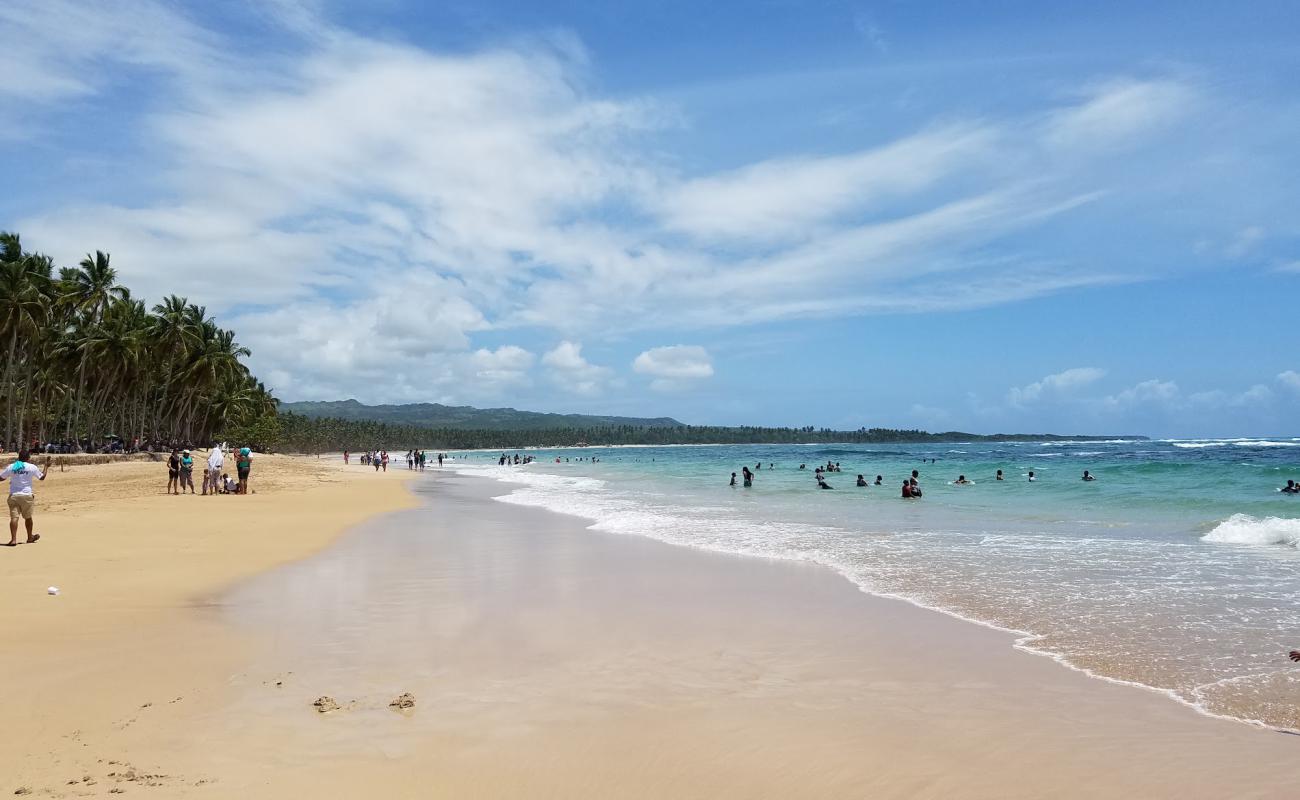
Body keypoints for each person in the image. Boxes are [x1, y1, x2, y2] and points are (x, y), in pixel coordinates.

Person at [2, 451, 48, 546]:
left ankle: (13, 539)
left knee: (14, 518)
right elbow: (42, 477)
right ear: (28, 458)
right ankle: (30, 537)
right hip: (27, 495)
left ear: (19, 457)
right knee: (28, 517)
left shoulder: (12, 466)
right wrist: (46, 466)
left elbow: (1, 478)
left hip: (14, 495)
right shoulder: (31, 467)